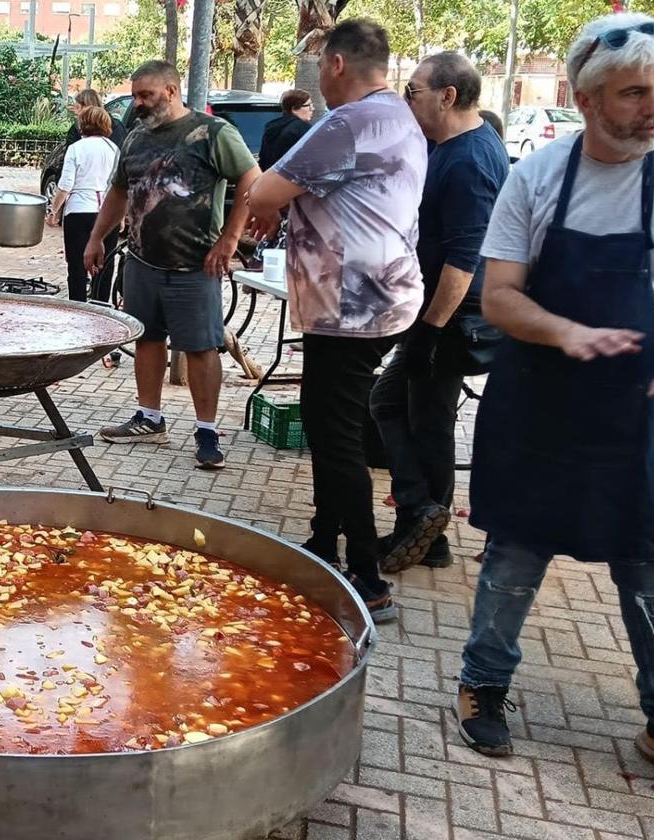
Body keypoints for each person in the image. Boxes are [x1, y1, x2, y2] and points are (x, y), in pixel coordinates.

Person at [455, 14, 654, 804]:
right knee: (513, 557)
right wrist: (565, 330)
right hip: (539, 401)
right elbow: (498, 298)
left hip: (641, 412)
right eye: (634, 92)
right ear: (584, 98)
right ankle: (482, 685)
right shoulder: (536, 177)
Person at [247, 19, 427, 623]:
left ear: (338, 64)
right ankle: (326, 545)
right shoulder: (401, 116)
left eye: (322, 62)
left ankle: (368, 579)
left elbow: (264, 192)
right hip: (378, 299)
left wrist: (280, 202)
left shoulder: (349, 121)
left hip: (354, 307)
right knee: (331, 428)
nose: (320, 75)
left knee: (336, 437)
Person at [369, 52, 509, 572]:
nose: (410, 100)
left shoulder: (471, 158)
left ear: (447, 96)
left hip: (453, 316)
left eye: (415, 90)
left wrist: (430, 331)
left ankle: (422, 519)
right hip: (437, 312)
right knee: (414, 414)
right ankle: (427, 527)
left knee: (408, 412)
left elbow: (465, 257)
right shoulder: (454, 145)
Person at [85, 60, 260, 470]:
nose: (138, 104)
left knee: (200, 347)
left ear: (171, 91)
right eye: (135, 95)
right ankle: (150, 418)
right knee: (146, 339)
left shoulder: (212, 133)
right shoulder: (135, 139)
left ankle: (207, 430)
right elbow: (118, 192)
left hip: (195, 266)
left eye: (146, 95)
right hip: (143, 260)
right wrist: (96, 238)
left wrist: (229, 240)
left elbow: (253, 178)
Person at [47, 106, 120, 303]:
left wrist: (54, 210)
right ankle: (101, 305)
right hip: (107, 212)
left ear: (83, 125)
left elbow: (65, 185)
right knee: (105, 264)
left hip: (79, 211)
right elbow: (119, 185)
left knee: (77, 265)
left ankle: (78, 306)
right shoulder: (114, 149)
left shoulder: (76, 148)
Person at [258, 89, 314, 171]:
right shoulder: (302, 128)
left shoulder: (271, 127)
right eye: (309, 106)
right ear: (294, 109)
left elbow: (263, 160)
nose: (312, 109)